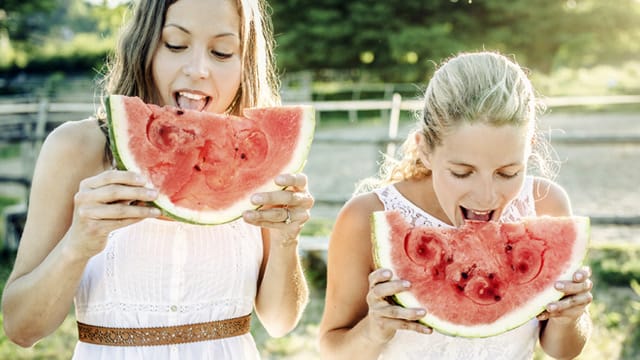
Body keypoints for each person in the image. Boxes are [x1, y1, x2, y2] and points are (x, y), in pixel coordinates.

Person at [1, 0, 312, 358]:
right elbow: (21, 329)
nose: (198, 69)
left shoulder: (258, 158)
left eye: (222, 52)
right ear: (145, 46)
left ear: (246, 64)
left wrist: (288, 240)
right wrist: (77, 244)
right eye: (176, 45)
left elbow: (279, 321)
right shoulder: (74, 148)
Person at [318, 51, 593, 359]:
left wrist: (571, 318)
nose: (486, 196)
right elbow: (332, 349)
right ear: (425, 150)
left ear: (529, 150)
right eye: (462, 172)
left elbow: (561, 351)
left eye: (508, 172)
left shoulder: (547, 207)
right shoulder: (366, 218)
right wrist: (372, 331)